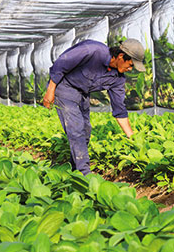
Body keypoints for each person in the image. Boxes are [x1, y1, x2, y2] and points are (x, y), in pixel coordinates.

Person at [42, 38, 145, 175]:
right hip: (64, 87)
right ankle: (85, 174)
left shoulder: (118, 79)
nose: (130, 69)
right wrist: (50, 91)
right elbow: (61, 64)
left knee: (85, 130)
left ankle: (74, 169)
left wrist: (133, 138)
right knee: (76, 128)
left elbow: (119, 109)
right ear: (121, 56)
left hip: (82, 93)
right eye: (130, 64)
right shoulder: (92, 51)